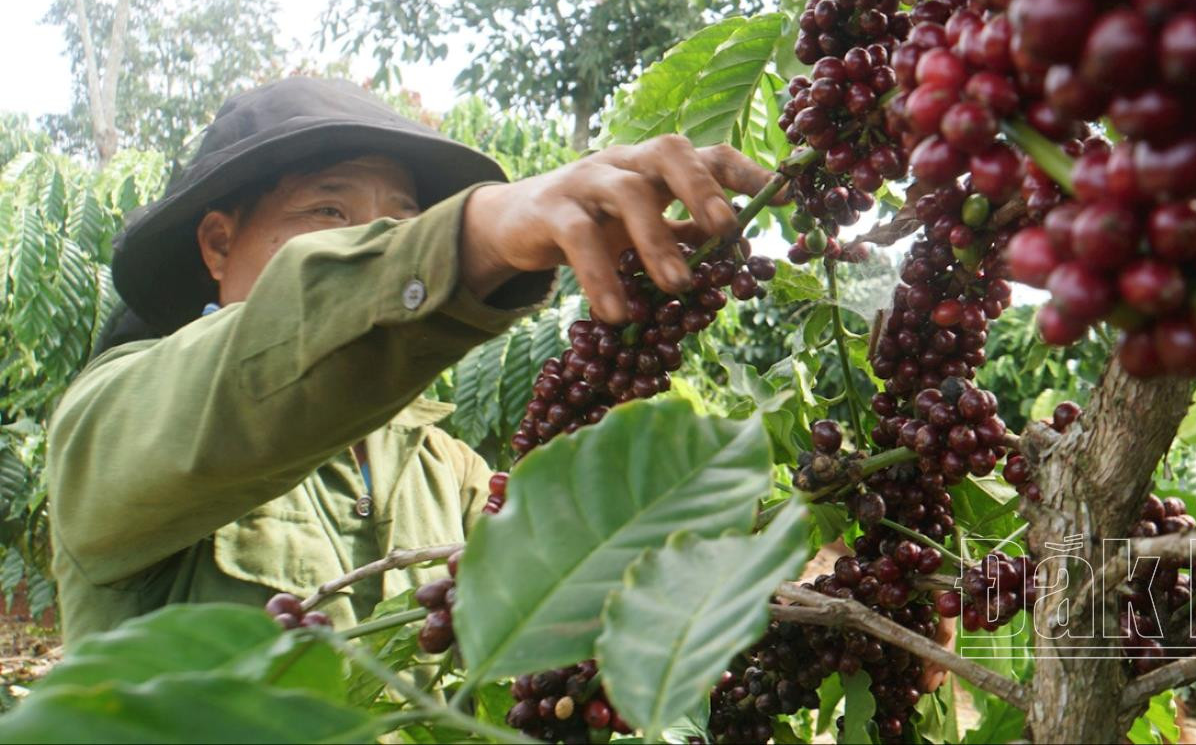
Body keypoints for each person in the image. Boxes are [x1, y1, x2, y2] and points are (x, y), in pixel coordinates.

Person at [46, 77, 777, 644]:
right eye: (327, 214)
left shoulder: (444, 469)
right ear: (217, 244)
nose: (368, 240)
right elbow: (243, 374)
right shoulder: (114, 419)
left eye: (402, 221)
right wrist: (470, 237)